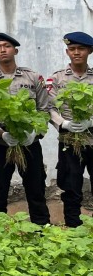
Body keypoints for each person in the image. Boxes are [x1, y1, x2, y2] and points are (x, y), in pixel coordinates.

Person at [0, 33, 50, 224]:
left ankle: (42, 229)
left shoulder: (33, 77)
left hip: (29, 143)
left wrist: (35, 132)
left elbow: (44, 109)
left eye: (7, 46)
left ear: (15, 50)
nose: (2, 49)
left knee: (36, 189)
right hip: (0, 143)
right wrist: (1, 133)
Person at [47, 31, 93, 227]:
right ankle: (74, 228)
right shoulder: (57, 78)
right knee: (71, 186)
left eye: (81, 49)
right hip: (68, 140)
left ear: (89, 51)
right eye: (72, 49)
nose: (76, 53)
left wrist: (91, 121)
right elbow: (48, 106)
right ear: (67, 52)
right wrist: (62, 123)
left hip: (92, 138)